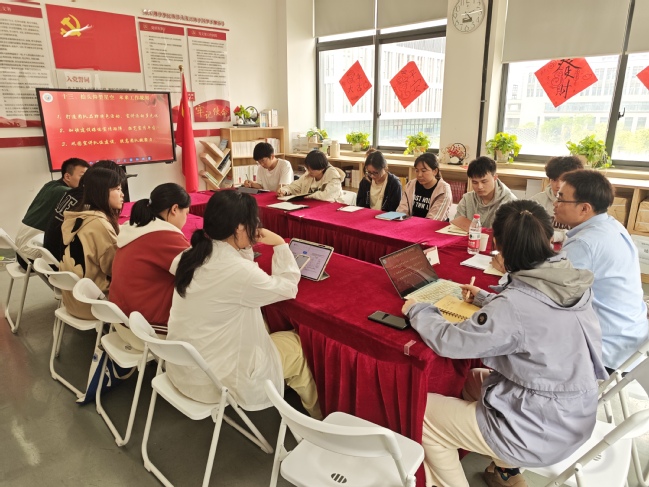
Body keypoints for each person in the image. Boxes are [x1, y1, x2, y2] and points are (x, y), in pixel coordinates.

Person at [403, 199, 605, 487]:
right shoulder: (570, 280)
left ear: (496, 244)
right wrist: (488, 300)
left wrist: (418, 310)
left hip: (540, 429)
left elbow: (450, 341)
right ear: (550, 239)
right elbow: (533, 314)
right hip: (574, 411)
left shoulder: (514, 306)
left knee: (422, 415)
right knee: (471, 379)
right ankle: (505, 470)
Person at [166, 191, 321, 418]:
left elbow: (240, 272)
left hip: (183, 368)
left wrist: (245, 245)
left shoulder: (190, 255)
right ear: (239, 227)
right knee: (298, 347)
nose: (256, 226)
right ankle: (318, 422)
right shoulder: (238, 271)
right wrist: (280, 244)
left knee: (263, 324)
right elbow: (288, 287)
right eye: (253, 221)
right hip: (214, 380)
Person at [554, 170, 648, 371]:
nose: (555, 204)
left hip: (604, 350)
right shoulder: (612, 225)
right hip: (630, 339)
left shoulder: (584, 243)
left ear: (584, 208)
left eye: (561, 198)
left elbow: (553, 294)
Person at [109, 183, 191, 348]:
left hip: (121, 321)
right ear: (175, 209)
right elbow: (201, 273)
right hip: (147, 332)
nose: (186, 219)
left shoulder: (136, 227)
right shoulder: (164, 236)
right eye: (186, 213)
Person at [59, 168, 123, 320]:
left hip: (74, 301)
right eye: (117, 189)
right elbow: (116, 269)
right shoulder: (99, 225)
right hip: (96, 305)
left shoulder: (77, 217)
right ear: (101, 192)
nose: (122, 194)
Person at [43, 160, 126, 262]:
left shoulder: (74, 193)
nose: (122, 194)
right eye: (117, 188)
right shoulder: (88, 208)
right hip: (62, 259)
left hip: (61, 258)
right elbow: (112, 262)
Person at [15, 158, 89, 268]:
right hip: (31, 257)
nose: (86, 181)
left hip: (21, 251)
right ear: (67, 176)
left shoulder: (51, 185)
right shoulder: (66, 193)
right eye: (82, 176)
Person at [451, 156, 517, 230]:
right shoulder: (467, 199)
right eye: (475, 182)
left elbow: (507, 233)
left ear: (495, 177)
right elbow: (456, 226)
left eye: (484, 181)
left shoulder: (510, 202)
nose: (480, 187)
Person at [529, 155, 583, 243]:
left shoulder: (583, 205)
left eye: (563, 180)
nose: (558, 185)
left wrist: (559, 236)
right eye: (554, 180)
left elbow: (586, 235)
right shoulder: (537, 201)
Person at [396, 152, 452, 220]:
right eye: (417, 171)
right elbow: (401, 210)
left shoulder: (443, 190)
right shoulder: (411, 185)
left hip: (431, 225)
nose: (419, 175)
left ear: (435, 171)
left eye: (423, 171)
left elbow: (433, 219)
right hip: (410, 223)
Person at [276, 150, 343, 202]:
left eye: (312, 169)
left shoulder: (333, 176)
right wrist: (285, 190)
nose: (309, 171)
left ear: (322, 168)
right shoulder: (309, 174)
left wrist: (308, 196)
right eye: (308, 168)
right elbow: (296, 186)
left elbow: (327, 196)